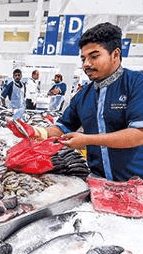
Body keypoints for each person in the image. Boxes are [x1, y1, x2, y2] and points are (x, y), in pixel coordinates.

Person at [30, 22, 143, 181]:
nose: (86, 64)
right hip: (98, 183)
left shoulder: (137, 83)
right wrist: (35, 132)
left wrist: (87, 140)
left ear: (115, 54)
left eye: (94, 56)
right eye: (83, 58)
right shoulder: (83, 95)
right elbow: (63, 127)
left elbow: (138, 134)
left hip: (137, 183)